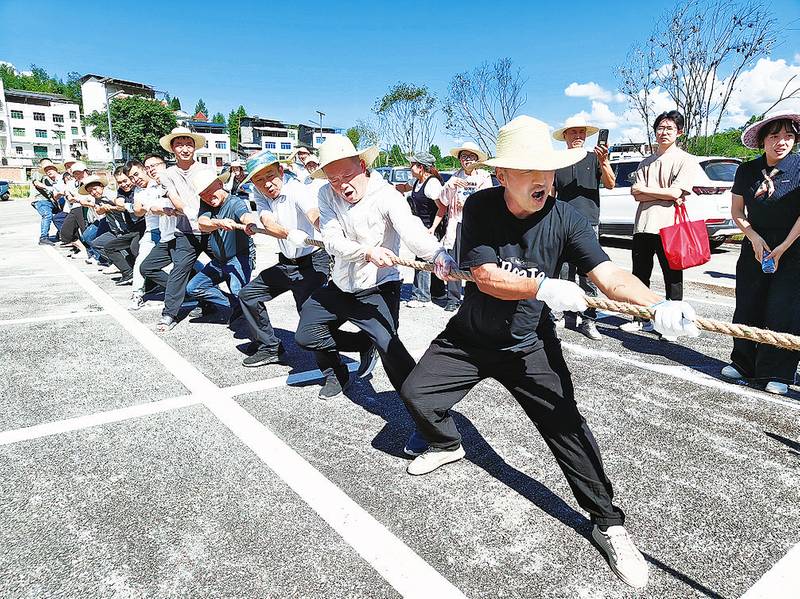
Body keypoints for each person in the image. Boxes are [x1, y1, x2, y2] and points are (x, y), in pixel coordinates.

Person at [401, 116, 701, 590]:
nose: (544, 179)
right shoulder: (480, 205)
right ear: (503, 177)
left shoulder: (568, 218)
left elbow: (607, 275)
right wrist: (542, 285)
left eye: (549, 169)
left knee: (567, 427)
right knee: (417, 393)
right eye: (530, 170)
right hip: (470, 338)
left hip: (528, 345)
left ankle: (608, 522)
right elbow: (484, 277)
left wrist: (656, 303)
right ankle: (447, 443)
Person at [294, 135, 455, 428]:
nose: (342, 185)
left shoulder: (387, 195)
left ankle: (431, 421)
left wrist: (438, 255)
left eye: (347, 175)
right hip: (341, 284)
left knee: (391, 350)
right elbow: (331, 240)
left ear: (363, 164)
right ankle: (356, 349)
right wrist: (366, 251)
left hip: (379, 287)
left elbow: (412, 231)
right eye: (333, 179)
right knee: (307, 333)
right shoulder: (325, 195)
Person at [236, 149, 375, 375]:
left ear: (281, 171)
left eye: (270, 176)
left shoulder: (296, 190)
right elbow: (268, 222)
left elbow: (314, 217)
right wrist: (288, 232)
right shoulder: (259, 193)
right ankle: (270, 347)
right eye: (259, 180)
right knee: (248, 296)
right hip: (286, 264)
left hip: (312, 263)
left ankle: (338, 369)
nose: (267, 184)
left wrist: (335, 238)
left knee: (310, 321)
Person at [722, 111, 800, 395]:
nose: (782, 142)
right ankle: (743, 362)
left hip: (792, 248)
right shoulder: (747, 170)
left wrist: (782, 248)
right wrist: (753, 237)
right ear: (762, 140)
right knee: (748, 303)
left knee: (784, 310)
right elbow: (737, 212)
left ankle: (778, 372)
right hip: (755, 246)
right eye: (775, 136)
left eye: (788, 136)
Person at [620, 110, 707, 338]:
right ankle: (640, 318)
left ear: (679, 132)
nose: (664, 132)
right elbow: (637, 194)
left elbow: (676, 191)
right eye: (660, 128)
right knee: (639, 274)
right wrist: (665, 194)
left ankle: (673, 324)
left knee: (673, 276)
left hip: (670, 227)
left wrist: (652, 192)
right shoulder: (645, 161)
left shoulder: (685, 160)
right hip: (643, 225)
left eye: (669, 128)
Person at [141, 126, 214, 331]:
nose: (184, 148)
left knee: (228, 264)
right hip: (185, 231)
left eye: (188, 144)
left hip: (209, 229)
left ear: (194, 147)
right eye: (179, 144)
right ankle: (169, 314)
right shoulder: (168, 173)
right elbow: (173, 196)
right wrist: (189, 212)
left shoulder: (206, 170)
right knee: (179, 271)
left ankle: (235, 306)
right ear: (172, 149)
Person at [552, 117, 616, 340]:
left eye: (581, 132)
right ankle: (561, 315)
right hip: (561, 221)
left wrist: (604, 161)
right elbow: (551, 193)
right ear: (565, 137)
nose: (578, 136)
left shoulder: (595, 158)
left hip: (589, 222)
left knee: (589, 273)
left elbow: (610, 183)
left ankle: (589, 320)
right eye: (573, 133)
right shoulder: (556, 161)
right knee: (562, 271)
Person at [186, 168, 257, 324]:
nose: (206, 197)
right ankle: (237, 305)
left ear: (219, 183)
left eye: (209, 191)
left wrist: (250, 224)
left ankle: (260, 329)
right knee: (194, 287)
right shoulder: (207, 204)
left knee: (240, 291)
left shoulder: (235, 202)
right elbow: (202, 224)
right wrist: (219, 223)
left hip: (240, 257)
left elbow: (245, 215)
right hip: (219, 261)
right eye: (202, 194)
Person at [437, 142, 493, 311]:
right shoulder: (455, 176)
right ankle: (452, 298)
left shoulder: (483, 176)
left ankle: (472, 298)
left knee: (475, 260)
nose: (467, 160)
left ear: (476, 159)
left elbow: (487, 198)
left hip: (476, 223)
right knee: (454, 260)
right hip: (457, 222)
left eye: (471, 157)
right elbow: (444, 201)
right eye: (464, 157)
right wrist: (450, 185)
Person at [400, 152, 446, 308]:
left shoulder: (432, 184)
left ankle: (421, 296)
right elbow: (404, 187)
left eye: (412, 165)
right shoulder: (417, 181)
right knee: (433, 258)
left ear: (420, 167)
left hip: (431, 227)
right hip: (421, 226)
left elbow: (442, 207)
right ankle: (438, 292)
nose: (409, 167)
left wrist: (433, 228)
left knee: (423, 258)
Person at [90, 168, 143, 286]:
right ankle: (126, 269)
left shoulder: (112, 193)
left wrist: (112, 207)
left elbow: (121, 205)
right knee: (99, 244)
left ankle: (137, 273)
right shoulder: (118, 192)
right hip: (122, 230)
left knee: (134, 250)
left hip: (134, 228)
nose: (93, 192)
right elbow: (100, 209)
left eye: (95, 189)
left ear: (101, 186)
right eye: (90, 191)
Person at [126, 159, 164, 309]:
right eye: (132, 178)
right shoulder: (138, 190)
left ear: (144, 169)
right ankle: (137, 293)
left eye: (136, 174)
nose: (135, 179)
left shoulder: (159, 182)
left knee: (187, 262)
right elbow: (137, 210)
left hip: (171, 230)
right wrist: (148, 207)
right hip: (152, 231)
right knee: (141, 262)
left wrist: (147, 207)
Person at [30, 159, 62, 245]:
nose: (48, 169)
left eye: (50, 167)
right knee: (47, 215)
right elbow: (37, 183)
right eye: (46, 167)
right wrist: (47, 187)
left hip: (51, 201)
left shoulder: (51, 177)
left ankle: (61, 234)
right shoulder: (39, 173)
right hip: (40, 200)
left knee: (61, 215)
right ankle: (43, 237)